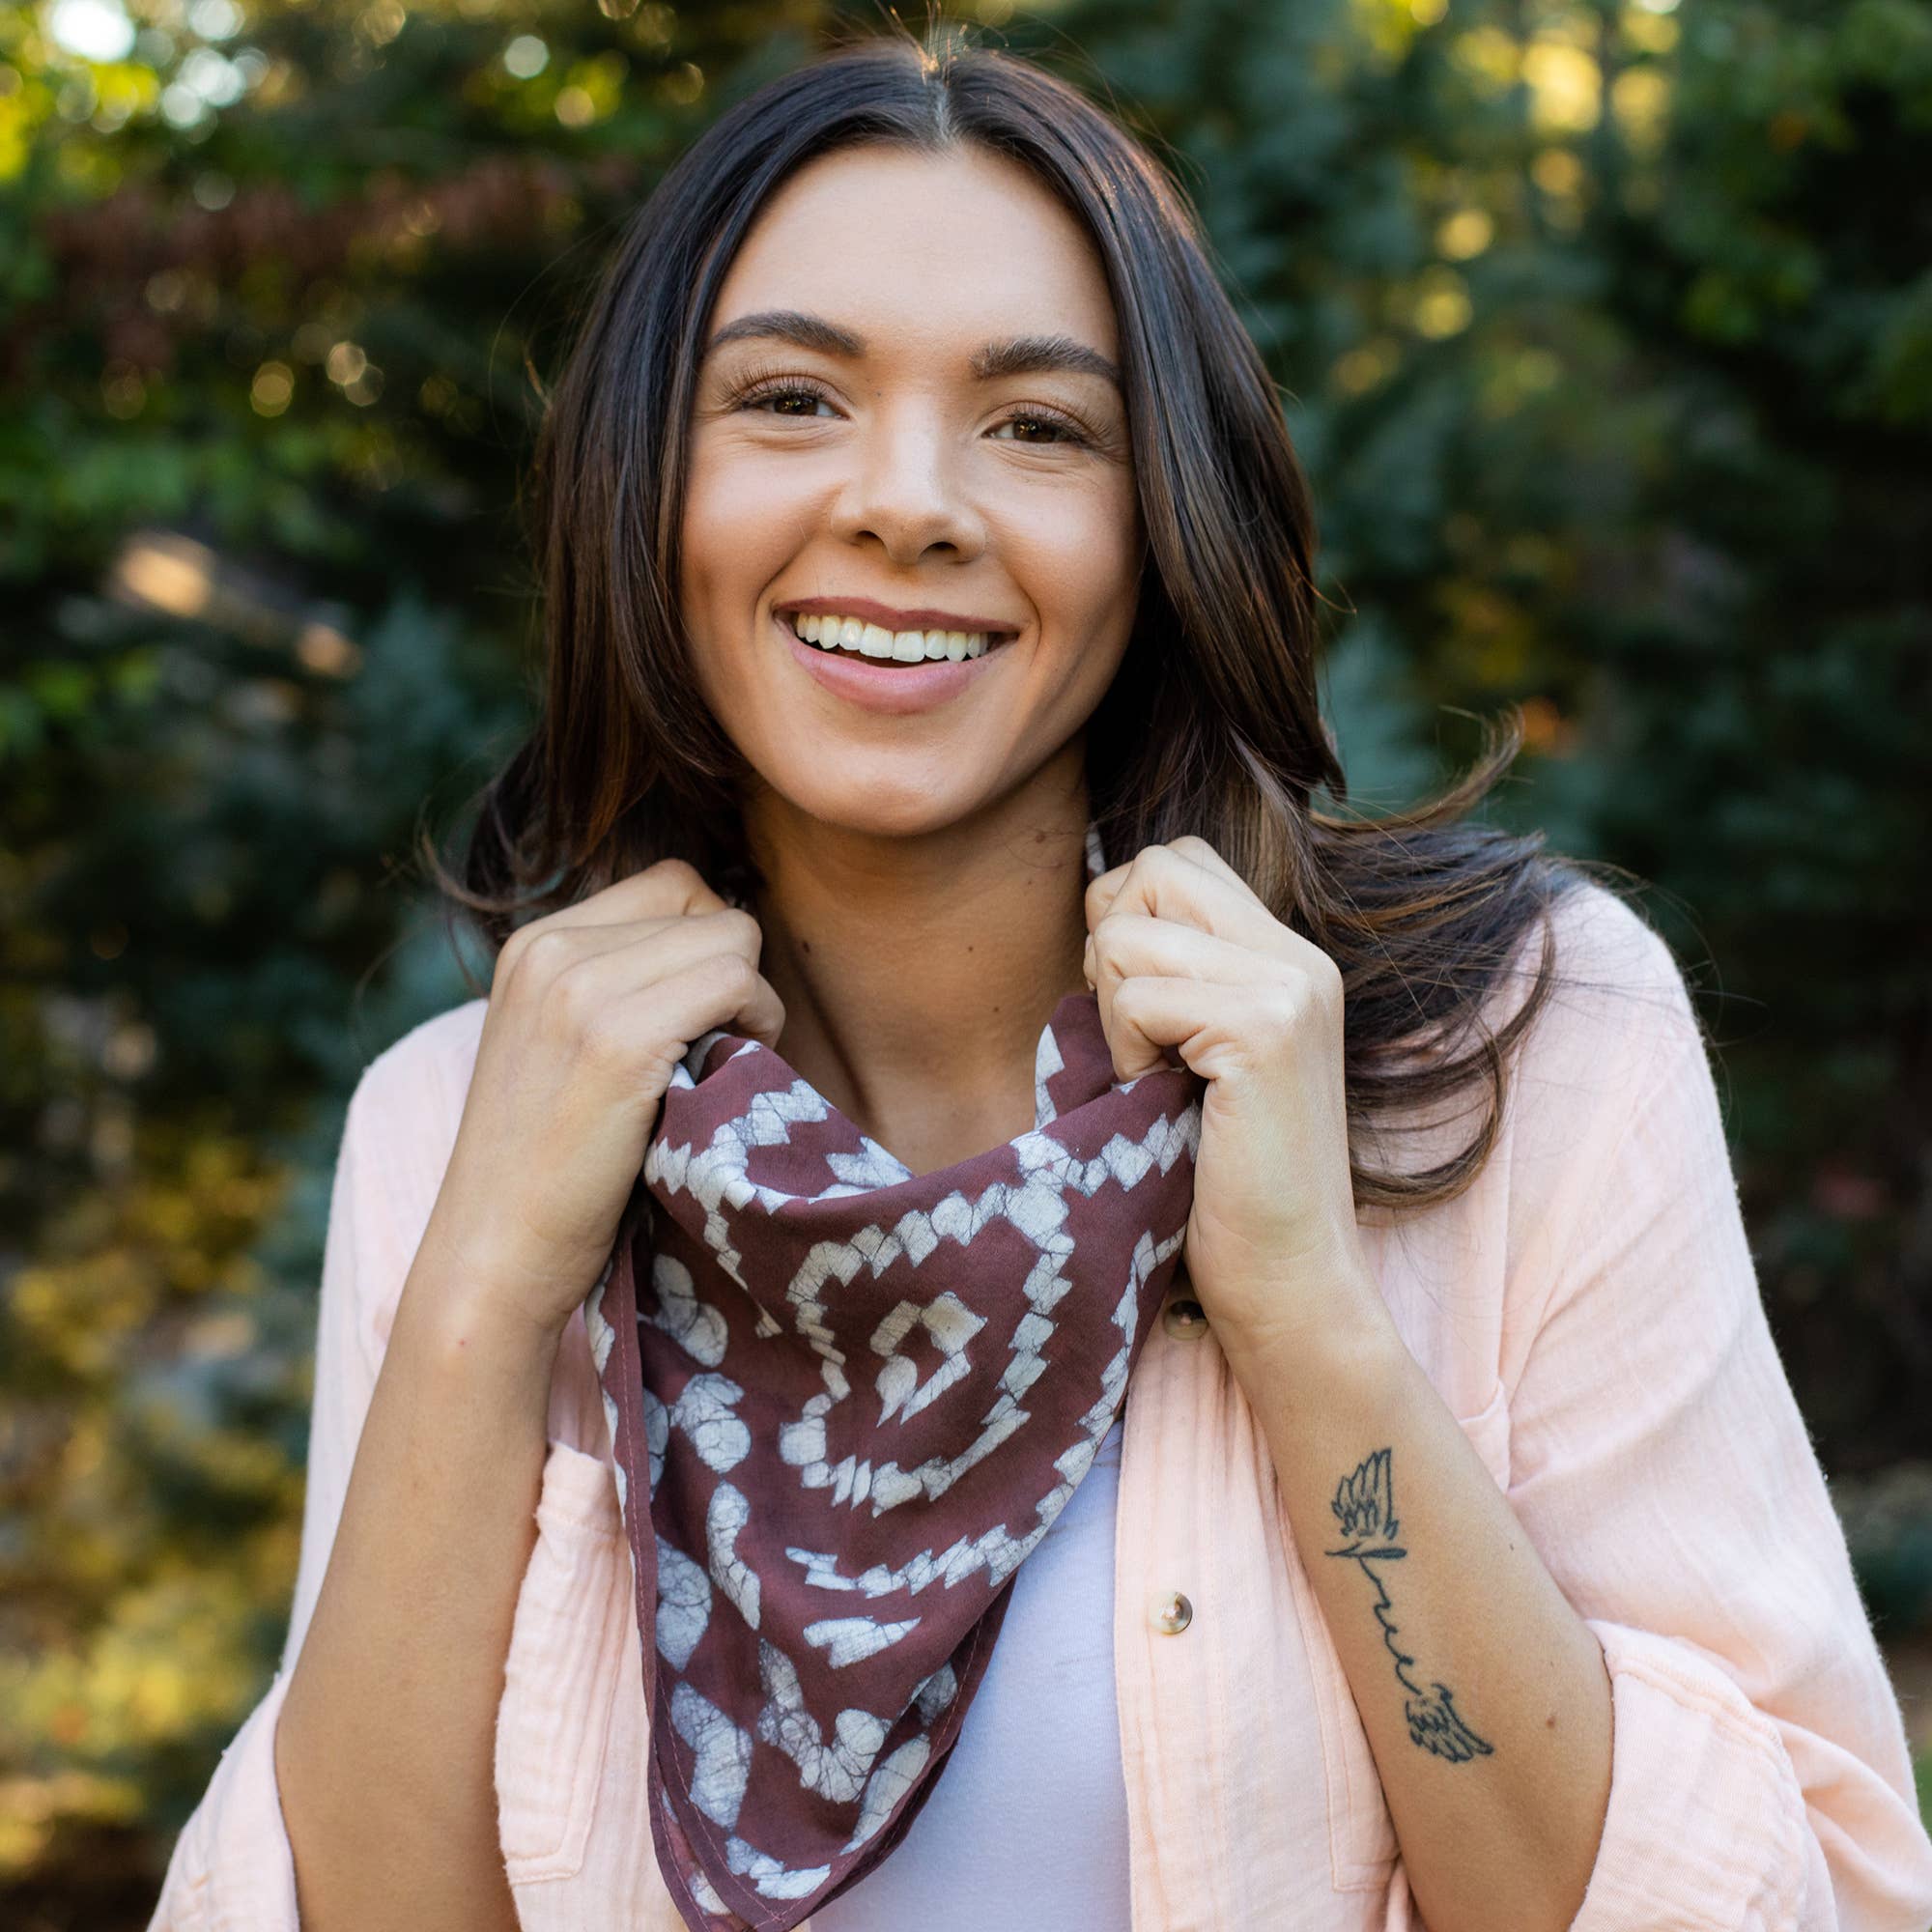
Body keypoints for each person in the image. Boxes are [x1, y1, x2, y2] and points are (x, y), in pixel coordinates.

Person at [148, 20, 1932, 1932]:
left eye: (1037, 424)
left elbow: (1779, 1894)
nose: (909, 502)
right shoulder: (457, 1117)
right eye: (790, 400)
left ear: (1158, 529)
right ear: (640, 490)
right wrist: (480, 1292)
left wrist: (1314, 1325)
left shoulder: (1519, 1043)